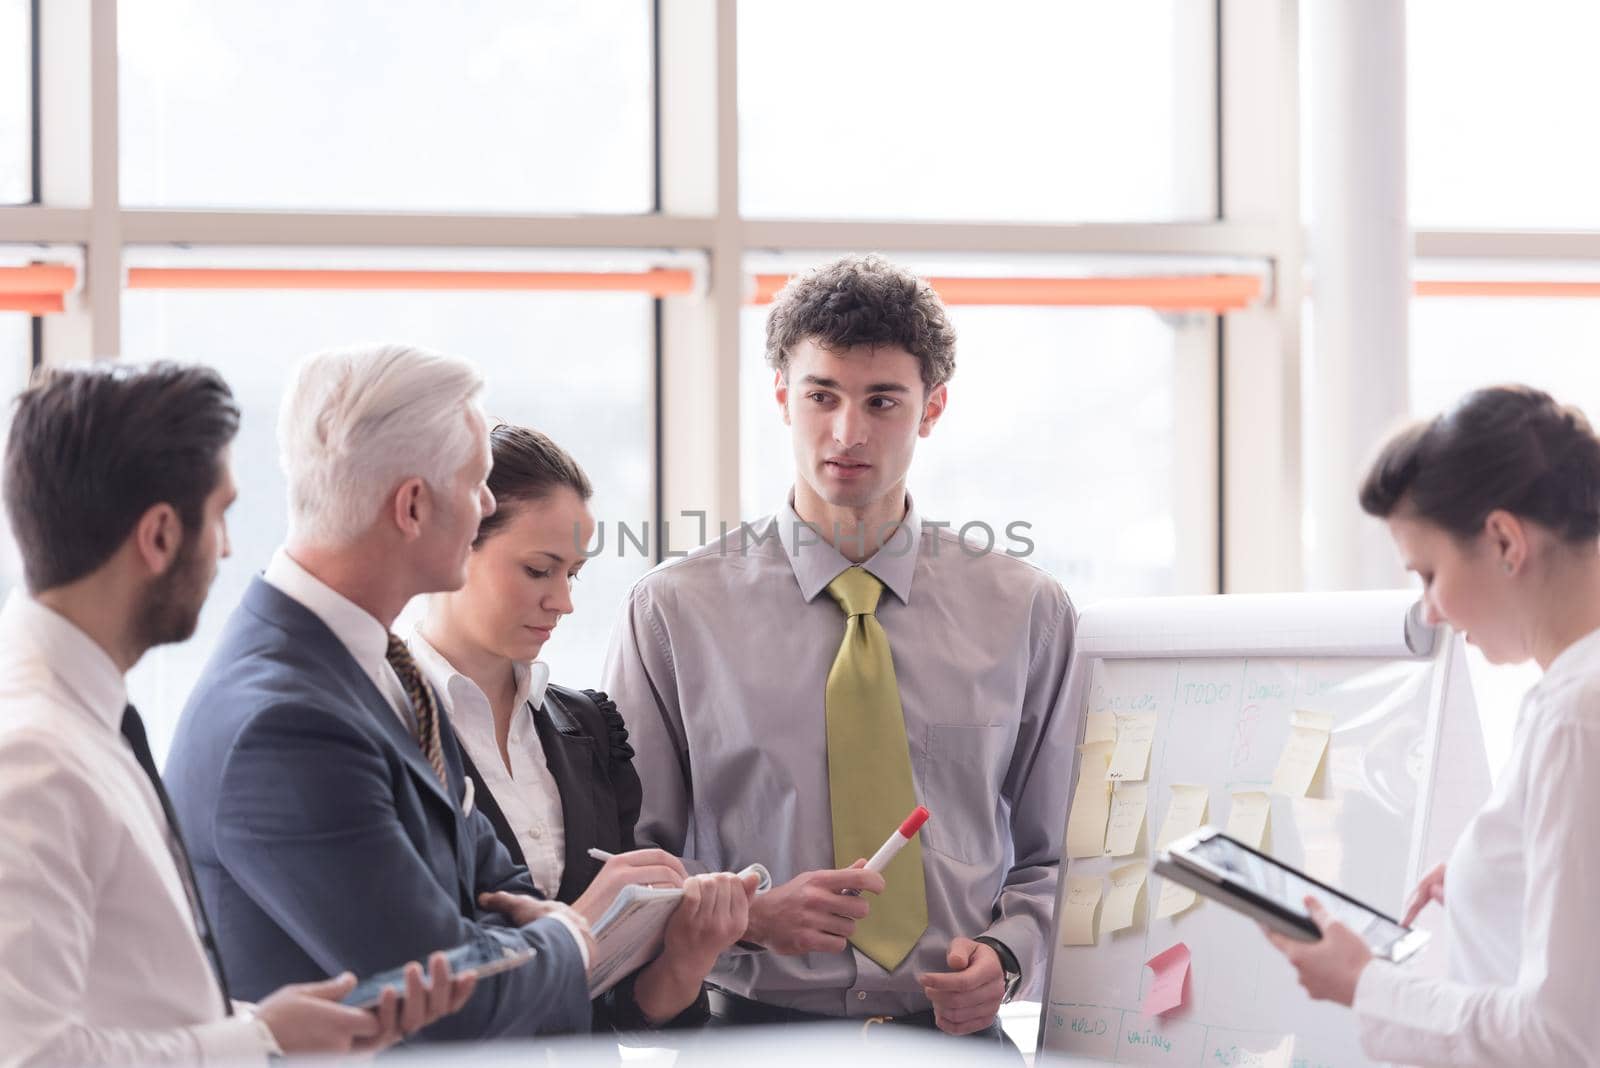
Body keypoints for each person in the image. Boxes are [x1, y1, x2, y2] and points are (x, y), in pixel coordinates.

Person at [603, 254, 1077, 1041]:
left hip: (959, 1042)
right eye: (822, 395)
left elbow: (1062, 852)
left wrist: (1009, 953)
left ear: (932, 409)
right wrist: (749, 916)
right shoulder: (673, 612)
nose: (847, 432)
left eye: (882, 400)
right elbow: (629, 866)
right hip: (747, 1037)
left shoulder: (1026, 610)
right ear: (785, 398)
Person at [0, 362, 472, 1067]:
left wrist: (275, 1028)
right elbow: (29, 1055)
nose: (226, 549)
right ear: (159, 536)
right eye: (220, 515)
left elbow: (128, 997)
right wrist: (258, 1040)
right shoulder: (36, 757)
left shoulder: (80, 721)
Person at [164, 344, 600, 1042]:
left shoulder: (388, 668)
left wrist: (506, 939)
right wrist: (570, 944)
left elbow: (499, 883)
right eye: (478, 483)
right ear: (413, 505)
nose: (487, 506)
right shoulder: (285, 721)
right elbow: (453, 999)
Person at [1267, 384, 1600, 1066]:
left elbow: (1562, 1038)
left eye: (1428, 574)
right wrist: (1506, 869)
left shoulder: (1574, 714)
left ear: (1506, 540)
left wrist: (1366, 986)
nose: (1430, 611)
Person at [410, 423, 756, 1030]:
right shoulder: (382, 727)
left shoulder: (588, 729)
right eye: (540, 570)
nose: (564, 602)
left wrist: (688, 954)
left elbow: (620, 1012)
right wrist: (587, 918)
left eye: (573, 575)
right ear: (454, 543)